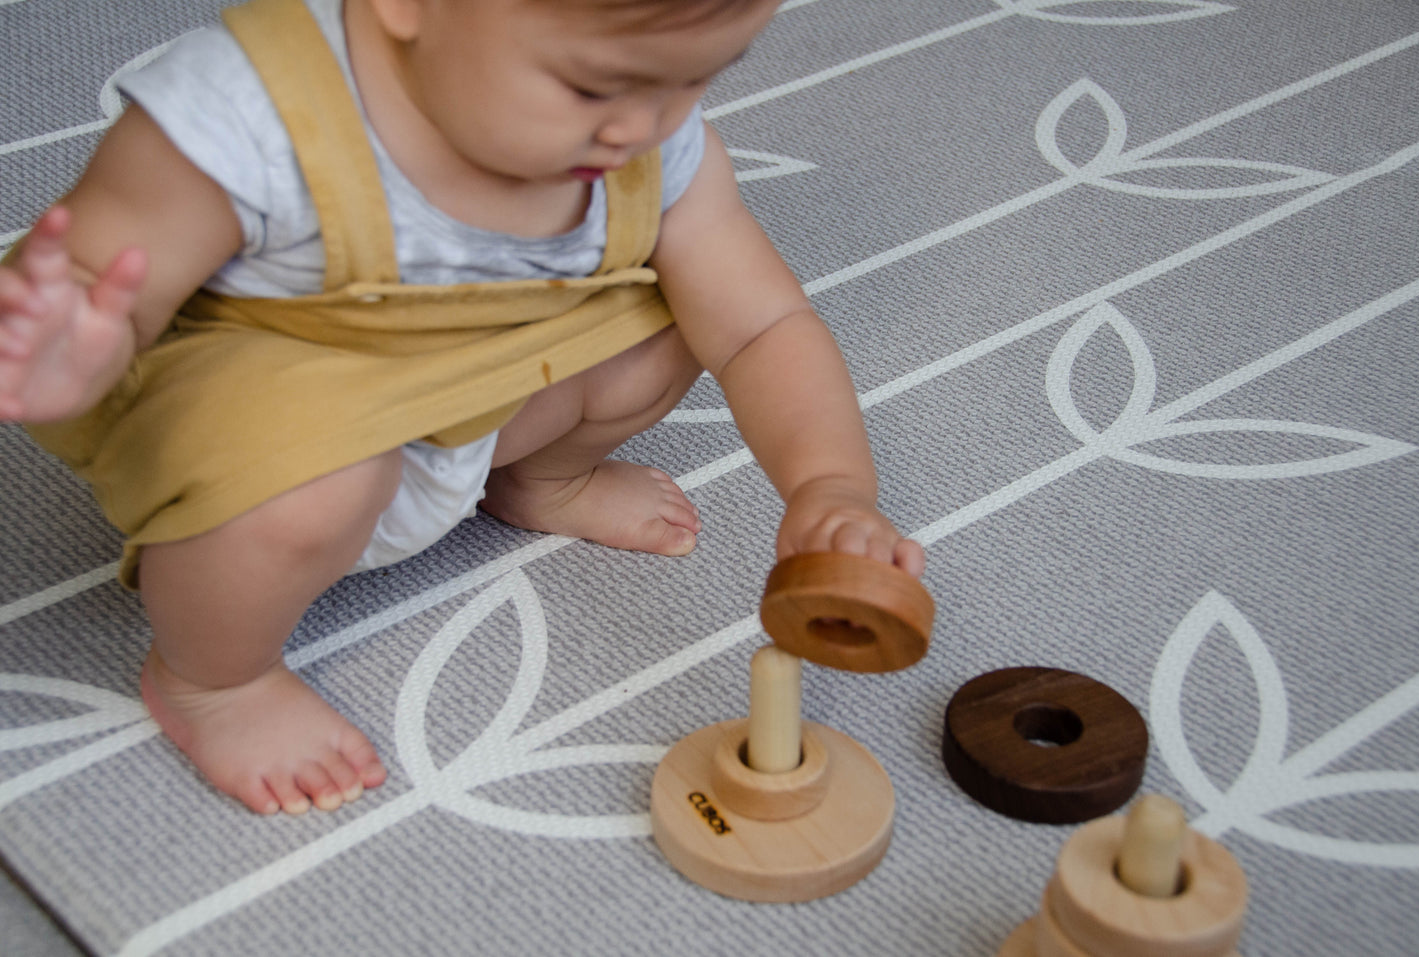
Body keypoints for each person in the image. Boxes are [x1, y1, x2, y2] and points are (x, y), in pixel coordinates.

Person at [0, 0, 925, 816]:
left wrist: (828, 482)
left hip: (472, 402)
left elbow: (761, 324)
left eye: (693, 81)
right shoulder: (248, 111)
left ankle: (538, 481)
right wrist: (69, 348)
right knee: (312, 489)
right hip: (276, 439)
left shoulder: (645, 137)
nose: (643, 126)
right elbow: (101, 283)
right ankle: (213, 677)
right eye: (591, 85)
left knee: (673, 321)